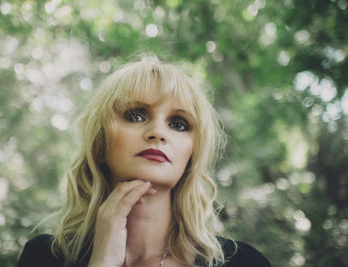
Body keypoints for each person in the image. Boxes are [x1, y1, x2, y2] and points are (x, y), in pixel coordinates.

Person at [17, 56, 271, 267]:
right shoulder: (43, 257)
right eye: (136, 115)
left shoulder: (245, 262)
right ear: (100, 142)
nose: (158, 132)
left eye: (178, 124)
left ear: (192, 154)